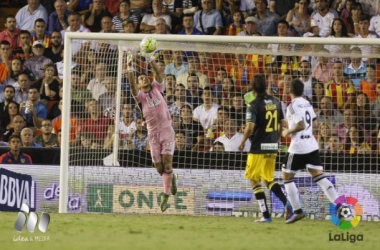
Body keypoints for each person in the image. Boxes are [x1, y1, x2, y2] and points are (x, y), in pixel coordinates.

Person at [281, 79, 339, 223]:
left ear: (290, 90)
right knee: (319, 177)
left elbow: (300, 125)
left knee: (287, 178)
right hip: (311, 145)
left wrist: (288, 131)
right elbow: (315, 124)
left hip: (298, 146)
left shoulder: (292, 106)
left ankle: (297, 211)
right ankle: (340, 205)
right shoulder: (307, 103)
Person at [127, 49, 178, 212]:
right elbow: (132, 85)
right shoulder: (140, 97)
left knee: (167, 163)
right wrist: (129, 70)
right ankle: (172, 178)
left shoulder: (157, 88)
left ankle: (165, 194)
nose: (142, 78)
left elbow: (158, 72)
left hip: (167, 131)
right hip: (153, 135)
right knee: (159, 168)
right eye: (140, 78)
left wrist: (150, 59)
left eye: (144, 76)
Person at [239, 74, 290, 223]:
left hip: (258, 147)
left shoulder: (253, 104)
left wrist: (242, 141)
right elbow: (283, 124)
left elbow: (249, 127)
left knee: (254, 180)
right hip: (272, 146)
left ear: (253, 87)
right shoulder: (276, 102)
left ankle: (266, 215)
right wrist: (277, 138)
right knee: (268, 179)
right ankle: (287, 204)